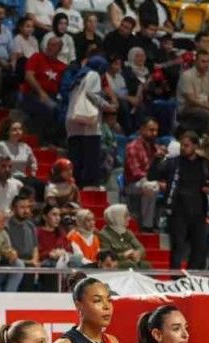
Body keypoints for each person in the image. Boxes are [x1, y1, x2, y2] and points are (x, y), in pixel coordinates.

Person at [159, 132, 209, 270]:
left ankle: (191, 275)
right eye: (182, 145)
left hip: (198, 211)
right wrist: (157, 159)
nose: (183, 148)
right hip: (178, 211)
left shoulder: (204, 163)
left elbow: (208, 182)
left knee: (200, 248)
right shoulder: (173, 162)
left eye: (187, 145)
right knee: (178, 247)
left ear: (195, 146)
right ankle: (175, 278)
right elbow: (153, 175)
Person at [65, 56, 110, 189]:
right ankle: (90, 187)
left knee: (76, 158)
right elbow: (92, 93)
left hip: (73, 121)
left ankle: (76, 186)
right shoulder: (94, 74)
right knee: (90, 159)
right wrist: (106, 105)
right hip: (88, 123)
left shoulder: (79, 76)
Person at [99, 204, 149, 269]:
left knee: (145, 265)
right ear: (117, 217)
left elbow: (141, 248)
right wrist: (124, 255)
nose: (129, 218)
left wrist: (137, 253)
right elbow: (106, 257)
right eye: (126, 216)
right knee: (130, 265)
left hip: (131, 262)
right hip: (116, 264)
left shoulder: (128, 232)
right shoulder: (104, 234)